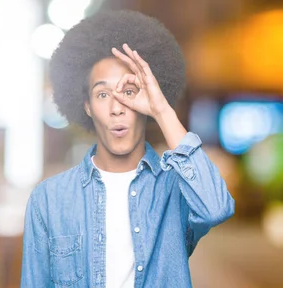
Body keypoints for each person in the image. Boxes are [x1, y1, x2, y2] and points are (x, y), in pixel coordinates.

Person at [21, 10, 235, 288]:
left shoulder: (175, 191)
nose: (116, 107)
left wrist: (162, 110)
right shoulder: (48, 199)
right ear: (87, 106)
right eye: (102, 94)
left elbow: (216, 209)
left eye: (129, 92)